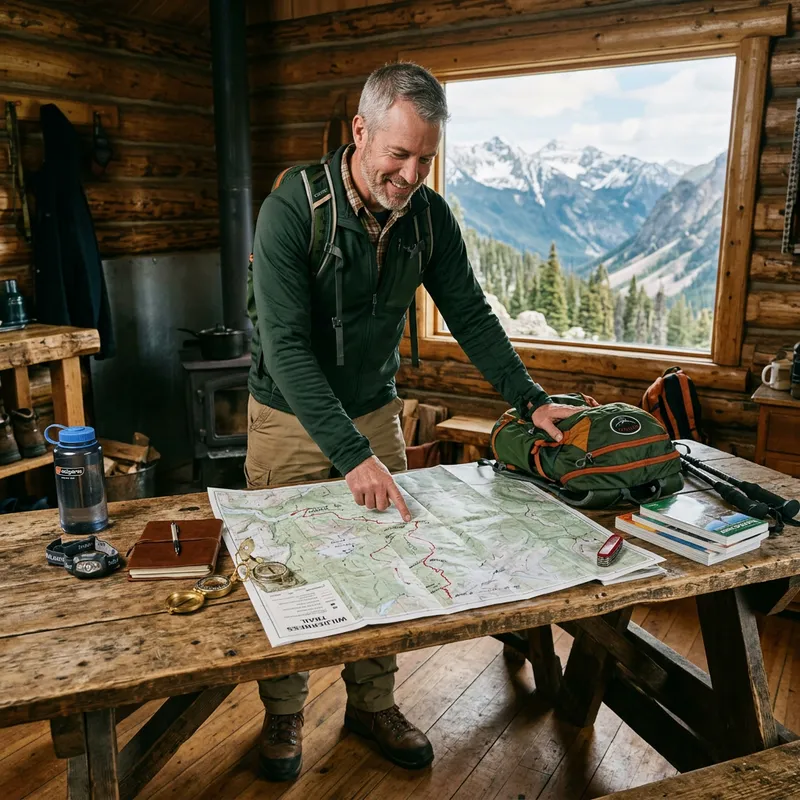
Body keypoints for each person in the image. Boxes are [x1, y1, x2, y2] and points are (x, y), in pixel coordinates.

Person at [246, 61, 591, 782]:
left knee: (385, 564)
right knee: (285, 567)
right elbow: (285, 350)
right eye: (397, 155)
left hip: (374, 411)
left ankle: (372, 702)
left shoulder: (428, 220)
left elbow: (468, 312)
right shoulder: (292, 208)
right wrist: (349, 454)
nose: (409, 173)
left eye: (425, 158)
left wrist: (528, 398)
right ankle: (283, 713)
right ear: (359, 131)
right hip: (287, 418)